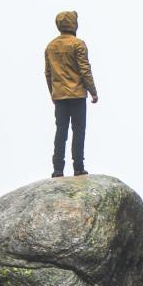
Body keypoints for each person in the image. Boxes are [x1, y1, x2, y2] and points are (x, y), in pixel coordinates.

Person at [44, 10, 98, 177]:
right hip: (77, 95)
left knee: (61, 131)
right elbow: (84, 70)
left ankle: (57, 169)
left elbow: (48, 73)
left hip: (59, 96)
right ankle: (78, 167)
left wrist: (53, 93)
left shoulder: (50, 46)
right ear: (73, 24)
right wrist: (93, 91)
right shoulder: (78, 44)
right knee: (78, 130)